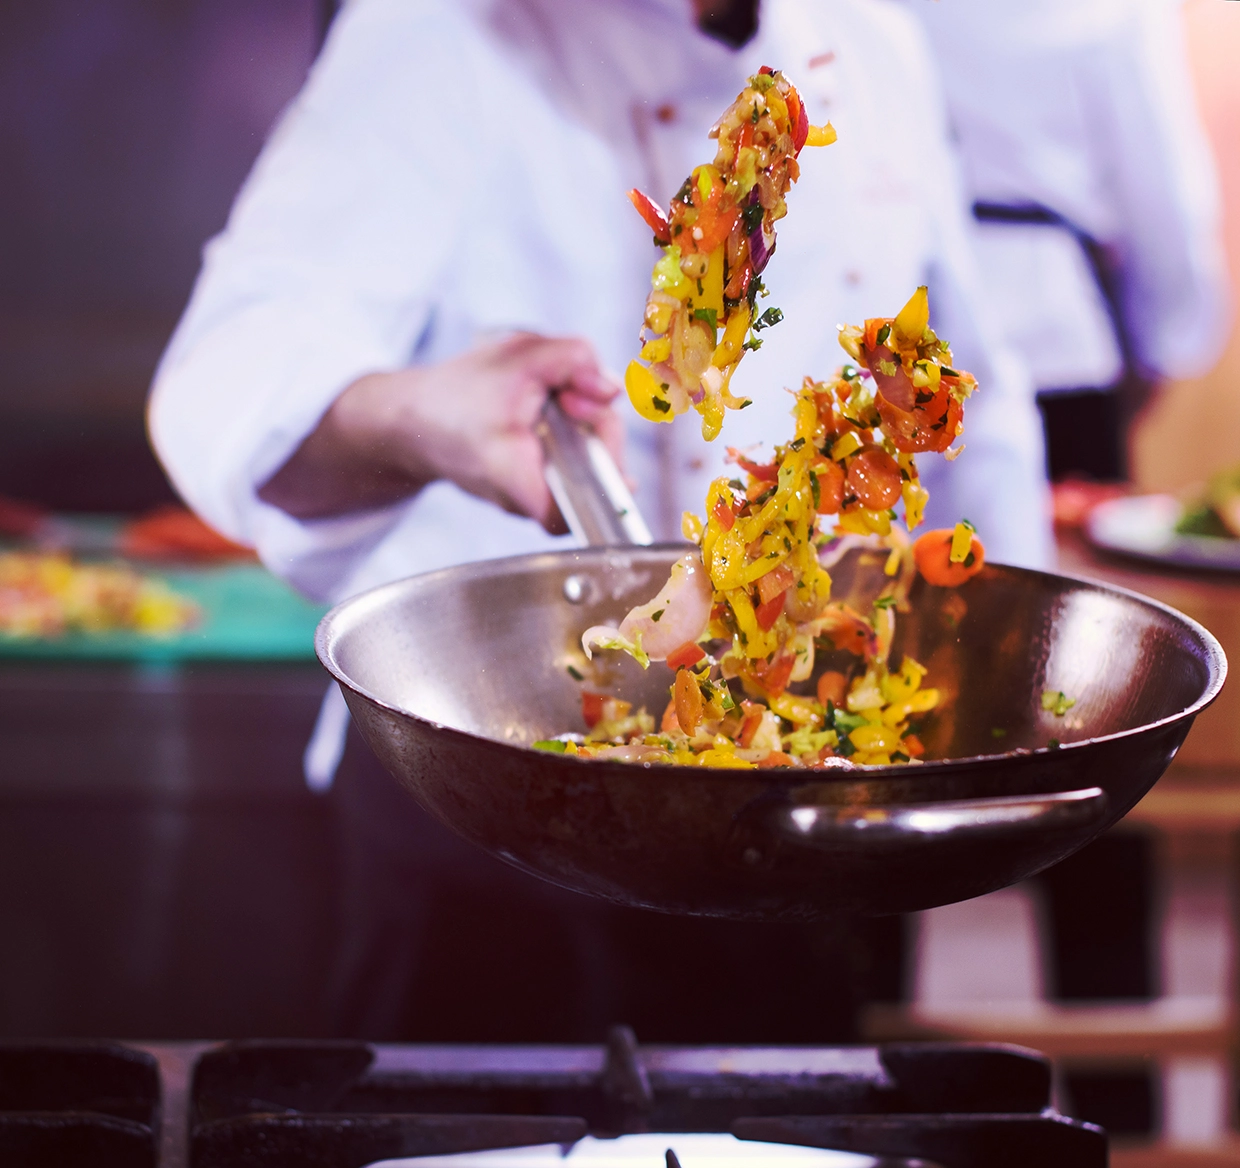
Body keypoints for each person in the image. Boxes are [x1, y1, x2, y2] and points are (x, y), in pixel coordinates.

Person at [148, 0, 1052, 1041]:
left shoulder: (871, 36)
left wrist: (999, 683)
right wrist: (417, 418)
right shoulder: (443, 29)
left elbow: (969, 394)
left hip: (801, 807)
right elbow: (229, 381)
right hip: (488, 803)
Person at [905, 0, 1229, 479]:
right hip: (1061, 337)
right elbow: (1163, 192)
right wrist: (1167, 343)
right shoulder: (1117, 13)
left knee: (911, 546)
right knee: (1062, 548)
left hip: (909, 332)